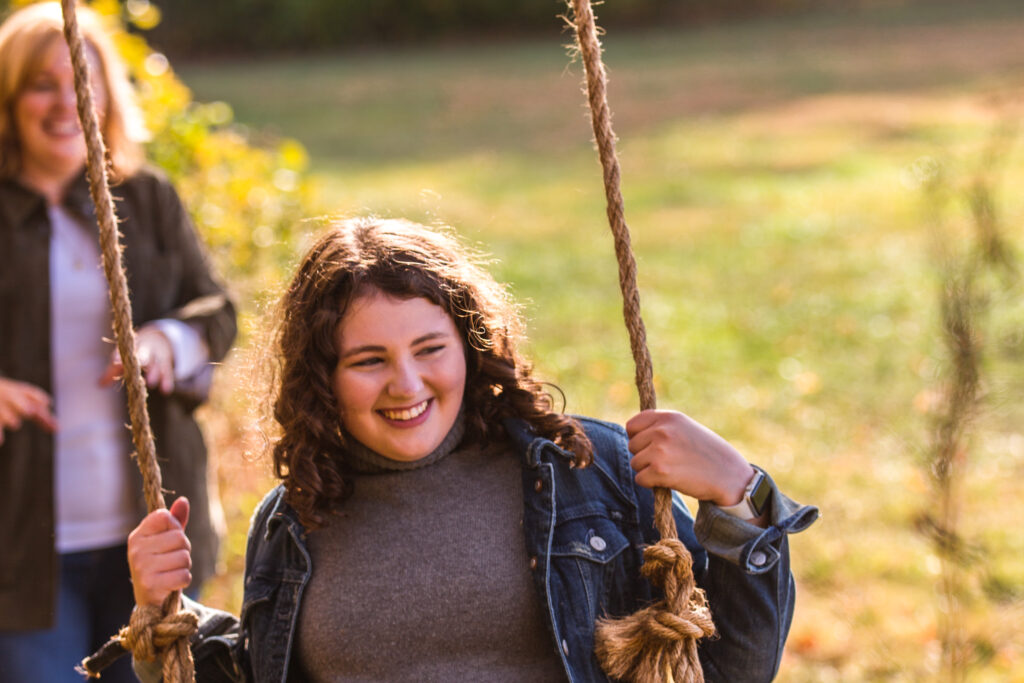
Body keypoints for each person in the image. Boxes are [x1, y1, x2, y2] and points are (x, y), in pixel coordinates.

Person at [125, 216, 817, 682]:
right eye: (368, 360)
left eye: (430, 349)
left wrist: (740, 495)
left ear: (471, 347)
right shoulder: (294, 518)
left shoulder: (586, 472)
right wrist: (162, 619)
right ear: (322, 378)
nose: (407, 384)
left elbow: (727, 668)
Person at [0, 3, 237, 682]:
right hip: (22, 552)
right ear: (10, 101)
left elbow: (217, 310)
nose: (65, 99)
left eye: (82, 78)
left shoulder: (145, 197)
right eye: (40, 84)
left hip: (152, 535)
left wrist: (167, 342)